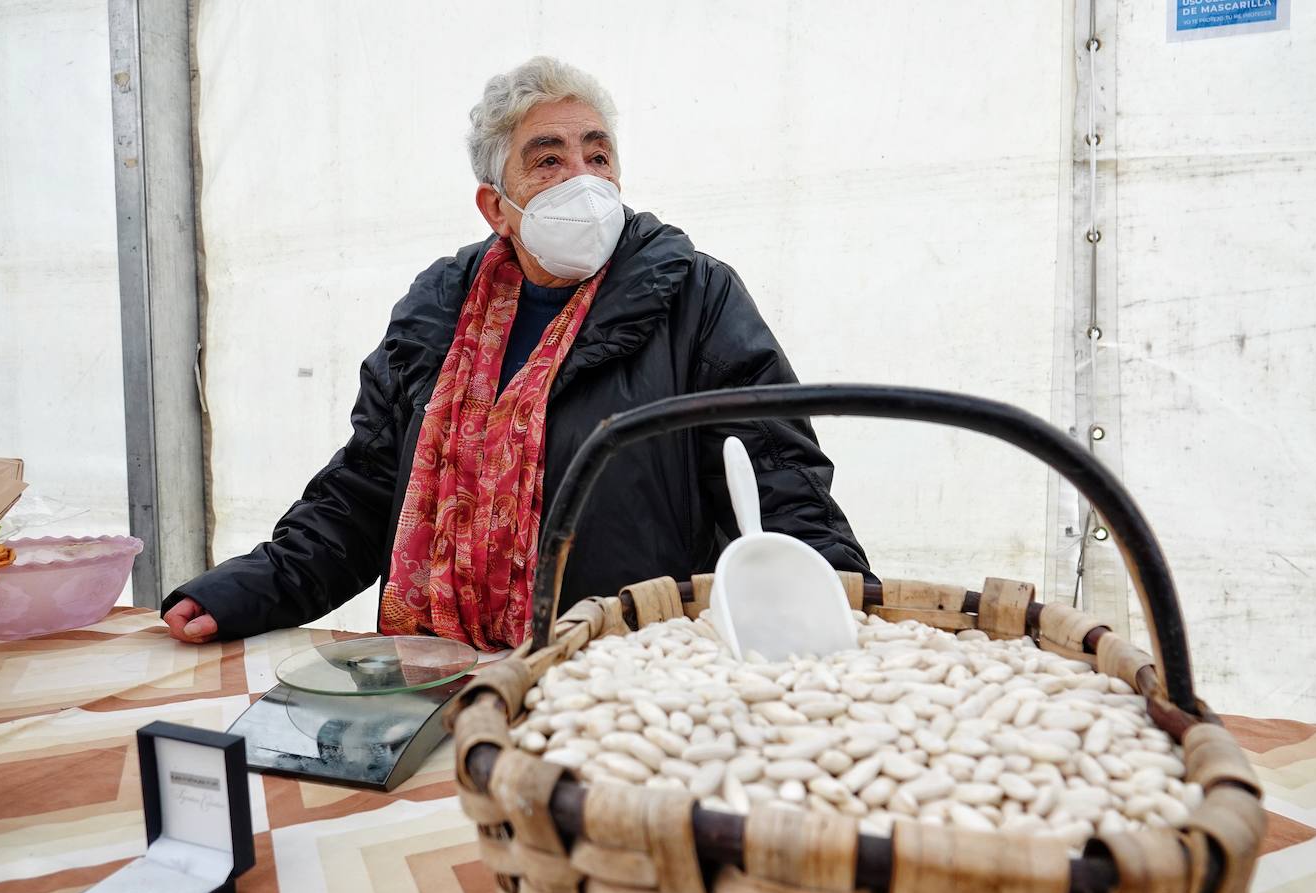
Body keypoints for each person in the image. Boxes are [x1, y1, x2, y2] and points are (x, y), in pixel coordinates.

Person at [163, 56, 871, 649]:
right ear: (496, 206)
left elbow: (777, 480)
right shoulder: (437, 309)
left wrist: (844, 611)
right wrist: (250, 589)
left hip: (626, 677)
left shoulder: (695, 295)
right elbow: (367, 489)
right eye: (549, 160)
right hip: (443, 676)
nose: (584, 179)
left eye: (598, 155)